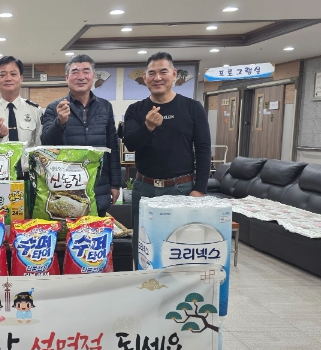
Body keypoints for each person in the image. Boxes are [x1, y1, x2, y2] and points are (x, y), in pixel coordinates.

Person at [123, 51, 211, 266]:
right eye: (151, 73)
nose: (157, 78)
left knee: (180, 245)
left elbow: (203, 148)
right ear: (145, 78)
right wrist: (148, 126)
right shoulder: (135, 110)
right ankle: (142, 281)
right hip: (144, 188)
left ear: (174, 75)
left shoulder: (192, 107)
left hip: (181, 188)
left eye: (163, 72)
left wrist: (199, 189)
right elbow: (131, 144)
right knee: (142, 245)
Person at [41, 54, 121, 217]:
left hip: (98, 186)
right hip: (65, 187)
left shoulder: (105, 106)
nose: (81, 76)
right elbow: (46, 145)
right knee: (66, 231)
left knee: (96, 230)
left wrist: (115, 184)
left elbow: (112, 146)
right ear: (67, 77)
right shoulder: (54, 107)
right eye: (75, 72)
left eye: (86, 71)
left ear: (93, 76)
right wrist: (60, 122)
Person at [0, 56, 41, 161]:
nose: (8, 78)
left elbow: (40, 147)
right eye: (2, 75)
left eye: (13, 74)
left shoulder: (35, 110)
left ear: (21, 78)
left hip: (28, 171)